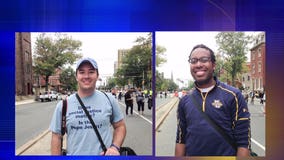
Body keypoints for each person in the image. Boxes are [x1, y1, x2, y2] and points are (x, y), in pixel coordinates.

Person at [175, 44, 251, 157]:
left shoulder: (233, 95)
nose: (198, 64)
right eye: (193, 61)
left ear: (214, 65)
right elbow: (181, 139)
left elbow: (244, 142)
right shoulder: (184, 101)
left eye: (204, 60)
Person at [50, 57, 126, 155]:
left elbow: (120, 126)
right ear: (76, 76)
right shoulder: (64, 105)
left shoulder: (109, 99)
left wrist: (115, 147)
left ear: (97, 75)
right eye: (82, 72)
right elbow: (56, 136)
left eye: (91, 72)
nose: (86, 76)